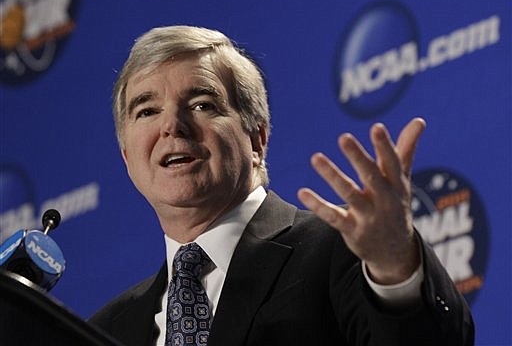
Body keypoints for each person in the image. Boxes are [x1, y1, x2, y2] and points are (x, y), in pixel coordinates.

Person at [89, 25, 474, 346]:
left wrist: (395, 270)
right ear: (127, 156)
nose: (171, 125)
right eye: (147, 111)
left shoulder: (340, 250)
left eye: (203, 104)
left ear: (257, 140)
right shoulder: (108, 329)